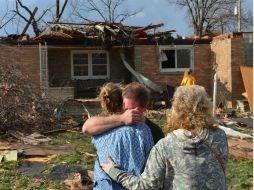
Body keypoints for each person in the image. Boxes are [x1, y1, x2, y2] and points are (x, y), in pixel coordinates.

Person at [101, 85, 229, 190]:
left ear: (176, 109)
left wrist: (115, 172)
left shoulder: (165, 145)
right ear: (206, 106)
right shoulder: (220, 137)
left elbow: (146, 186)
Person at [90, 82, 154, 190]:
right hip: (131, 185)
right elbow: (151, 166)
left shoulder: (98, 128)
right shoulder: (144, 131)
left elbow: (87, 127)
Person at [82, 86, 164, 145]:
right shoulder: (114, 121)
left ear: (144, 108)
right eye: (124, 107)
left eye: (130, 109)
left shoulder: (154, 131)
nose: (126, 113)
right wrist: (121, 119)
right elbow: (86, 128)